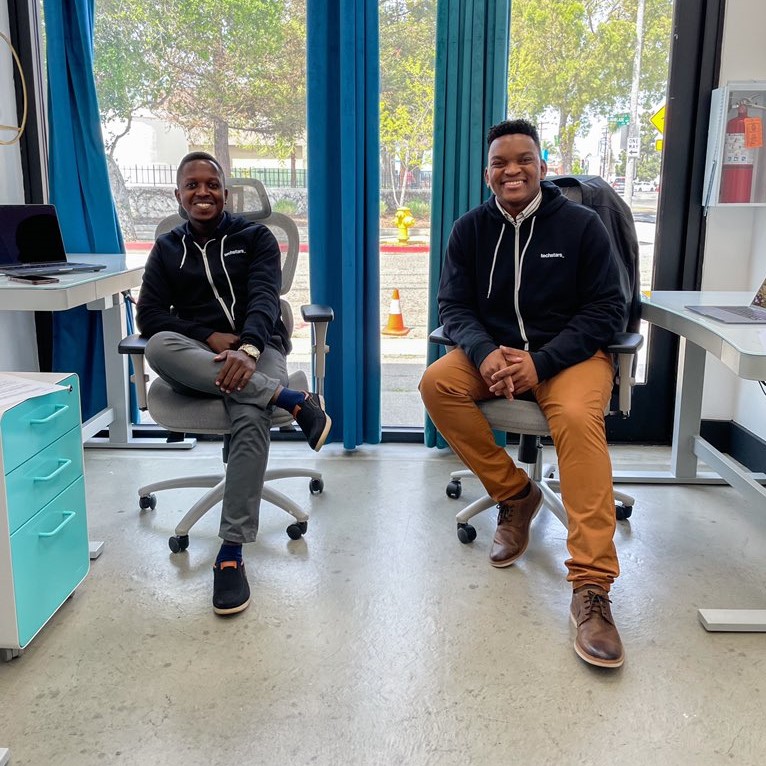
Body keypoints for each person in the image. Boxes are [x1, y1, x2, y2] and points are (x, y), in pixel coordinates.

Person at [419, 119, 627, 668]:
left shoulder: (581, 226)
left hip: (568, 357)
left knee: (578, 419)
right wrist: (484, 351)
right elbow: (453, 307)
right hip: (495, 354)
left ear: (542, 166)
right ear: (487, 172)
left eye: (524, 160)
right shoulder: (469, 230)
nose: (512, 170)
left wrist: (541, 363)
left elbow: (607, 310)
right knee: (437, 383)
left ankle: (592, 586)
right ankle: (515, 493)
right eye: (500, 162)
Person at [137, 151, 331, 616]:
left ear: (225, 193)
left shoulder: (256, 237)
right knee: (158, 345)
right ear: (179, 194)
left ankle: (230, 552)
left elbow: (265, 299)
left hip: (259, 349)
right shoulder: (167, 249)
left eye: (211, 185)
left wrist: (247, 349)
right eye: (192, 185)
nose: (202, 192)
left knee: (250, 412)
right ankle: (288, 398)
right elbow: (150, 315)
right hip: (195, 358)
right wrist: (207, 336)